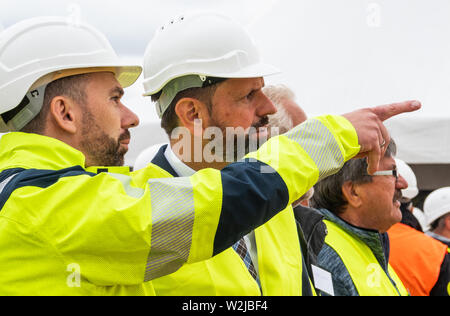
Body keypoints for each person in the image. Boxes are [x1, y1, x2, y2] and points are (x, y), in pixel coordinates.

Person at [0, 16, 419, 296]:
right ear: (192, 113)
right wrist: (328, 137)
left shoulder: (273, 209)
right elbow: (212, 205)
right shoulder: (49, 202)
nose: (268, 109)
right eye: (248, 95)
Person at [311, 140, 409, 296]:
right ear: (354, 192)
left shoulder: (368, 245)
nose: (403, 184)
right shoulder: (326, 256)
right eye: (393, 173)